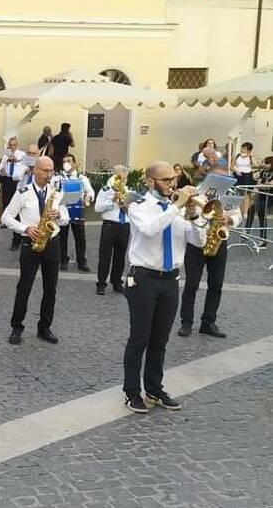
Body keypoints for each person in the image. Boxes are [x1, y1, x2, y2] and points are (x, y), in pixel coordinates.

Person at [122, 161, 206, 414]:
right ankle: (131, 392)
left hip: (170, 279)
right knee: (140, 338)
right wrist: (177, 206)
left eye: (174, 179)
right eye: (166, 179)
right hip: (143, 279)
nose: (172, 183)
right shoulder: (138, 206)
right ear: (150, 181)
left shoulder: (177, 209)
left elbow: (199, 242)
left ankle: (154, 388)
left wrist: (193, 215)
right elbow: (149, 230)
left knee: (160, 339)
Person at [2, 156, 69, 346]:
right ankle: (16, 327)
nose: (49, 174)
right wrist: (26, 229)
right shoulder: (23, 192)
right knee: (24, 287)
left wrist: (60, 215)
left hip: (52, 242)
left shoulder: (56, 193)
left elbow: (65, 218)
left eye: (51, 171)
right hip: (30, 243)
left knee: (51, 288)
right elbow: (7, 217)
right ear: (35, 171)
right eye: (45, 170)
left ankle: (44, 327)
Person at [179, 166, 242, 339]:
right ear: (209, 178)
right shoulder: (196, 193)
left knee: (216, 284)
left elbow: (238, 215)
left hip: (218, 241)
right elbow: (186, 216)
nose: (222, 183)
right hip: (196, 244)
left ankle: (208, 322)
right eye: (219, 179)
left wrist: (229, 219)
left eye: (225, 180)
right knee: (191, 284)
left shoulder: (227, 195)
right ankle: (186, 322)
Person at [53, 154, 95, 272]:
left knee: (80, 238)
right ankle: (63, 260)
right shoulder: (57, 178)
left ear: (75, 163)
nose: (66, 163)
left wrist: (89, 197)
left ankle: (81, 261)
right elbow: (52, 193)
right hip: (63, 211)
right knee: (62, 237)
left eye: (69, 161)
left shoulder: (82, 178)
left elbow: (90, 191)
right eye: (64, 161)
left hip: (78, 211)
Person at [94, 165, 131, 295]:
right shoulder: (106, 190)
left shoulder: (129, 191)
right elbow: (97, 208)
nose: (122, 180)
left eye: (124, 178)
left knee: (120, 256)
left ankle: (116, 282)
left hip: (124, 225)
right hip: (110, 224)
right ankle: (101, 283)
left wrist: (127, 206)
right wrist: (112, 201)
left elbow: (134, 212)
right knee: (105, 255)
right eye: (119, 177)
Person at [0, 136, 24, 230]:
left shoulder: (22, 155)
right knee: (6, 200)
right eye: (11, 145)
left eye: (14, 145)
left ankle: (16, 220)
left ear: (17, 145)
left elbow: (25, 167)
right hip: (7, 179)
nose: (12, 147)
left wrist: (17, 161)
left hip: (17, 180)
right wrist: (5, 163)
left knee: (16, 200)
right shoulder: (5, 156)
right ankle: (5, 221)